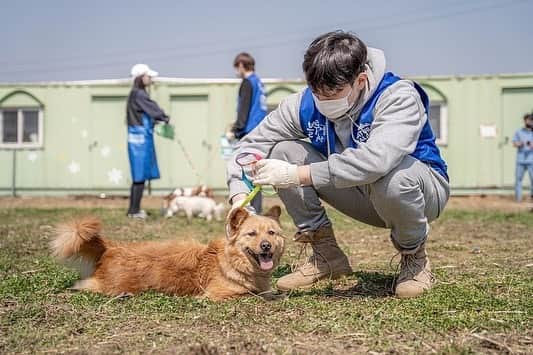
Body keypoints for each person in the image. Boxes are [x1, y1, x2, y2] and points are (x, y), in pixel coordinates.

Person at [226, 31, 449, 298]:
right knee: (283, 150)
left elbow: (376, 161)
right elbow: (251, 145)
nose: (324, 101)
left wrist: (298, 174)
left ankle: (414, 257)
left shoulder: (397, 96)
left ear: (361, 80)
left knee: (392, 176)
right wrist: (239, 195)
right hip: (360, 193)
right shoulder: (305, 103)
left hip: (419, 191)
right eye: (317, 92)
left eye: (334, 92)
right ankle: (325, 255)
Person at [126, 64, 170, 219]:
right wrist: (164, 117)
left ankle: (133, 210)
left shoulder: (135, 94)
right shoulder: (139, 94)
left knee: (139, 176)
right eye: (148, 76)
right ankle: (134, 211)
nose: (150, 79)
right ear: (141, 77)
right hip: (140, 141)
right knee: (139, 177)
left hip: (137, 139)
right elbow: (154, 109)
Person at [226, 52, 268, 213]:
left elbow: (244, 109)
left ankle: (249, 212)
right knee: (256, 176)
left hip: (249, 134)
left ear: (241, 66)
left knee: (243, 175)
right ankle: (256, 210)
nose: (237, 71)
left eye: (237, 68)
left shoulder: (246, 83)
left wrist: (236, 130)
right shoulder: (259, 82)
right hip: (261, 133)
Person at [512, 113, 533, 201]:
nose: (530, 121)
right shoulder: (518, 132)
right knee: (518, 179)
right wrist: (519, 143)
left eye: (531, 120)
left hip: (531, 160)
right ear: (525, 121)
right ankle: (518, 198)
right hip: (520, 160)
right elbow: (514, 143)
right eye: (528, 120)